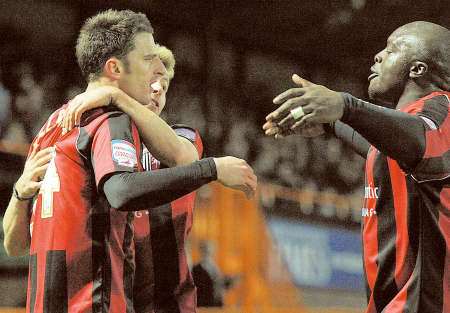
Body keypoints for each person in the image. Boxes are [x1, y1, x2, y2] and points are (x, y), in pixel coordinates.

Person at [3, 9, 256, 313]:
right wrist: (19, 194)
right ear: (118, 70)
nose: (156, 84)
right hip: (101, 301)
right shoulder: (104, 125)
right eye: (150, 68)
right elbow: (16, 244)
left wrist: (116, 97)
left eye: (164, 79)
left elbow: (183, 157)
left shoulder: (180, 136)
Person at [263, 21, 449, 313]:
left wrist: (345, 105)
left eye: (391, 49)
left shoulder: (442, 111)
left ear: (417, 69)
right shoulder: (400, 135)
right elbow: (381, 149)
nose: (377, 56)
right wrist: (331, 123)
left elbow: (417, 138)